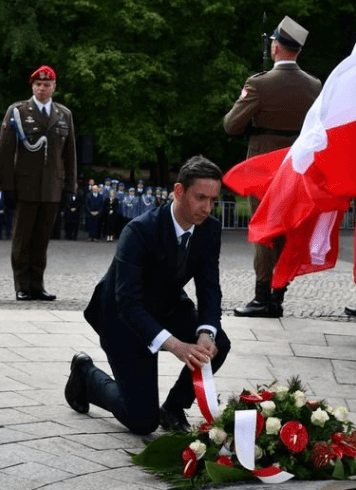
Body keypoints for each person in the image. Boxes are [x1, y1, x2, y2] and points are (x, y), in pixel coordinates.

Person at [65, 155, 231, 434]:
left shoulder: (210, 230)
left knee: (218, 343)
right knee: (141, 421)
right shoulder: (139, 230)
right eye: (200, 198)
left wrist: (205, 333)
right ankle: (85, 374)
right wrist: (175, 345)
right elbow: (127, 302)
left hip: (166, 305)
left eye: (213, 200)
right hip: (121, 317)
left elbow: (209, 288)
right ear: (179, 191)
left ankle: (173, 407)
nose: (207, 208)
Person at [223, 16, 321, 318]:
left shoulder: (260, 83)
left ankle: (262, 297)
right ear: (298, 51)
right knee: (288, 227)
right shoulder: (314, 85)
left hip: (263, 164)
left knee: (265, 228)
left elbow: (230, 125)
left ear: (276, 47)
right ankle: (278, 295)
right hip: (297, 164)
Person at [0, 65, 77, 301]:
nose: (42, 88)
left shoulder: (64, 114)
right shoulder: (18, 111)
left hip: (52, 187)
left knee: (42, 239)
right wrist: (7, 186)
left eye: (47, 84)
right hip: (25, 186)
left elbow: (69, 154)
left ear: (54, 87)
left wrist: (70, 187)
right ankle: (22, 285)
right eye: (38, 84)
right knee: (22, 239)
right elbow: (5, 152)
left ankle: (37, 284)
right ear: (33, 86)